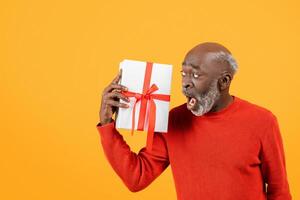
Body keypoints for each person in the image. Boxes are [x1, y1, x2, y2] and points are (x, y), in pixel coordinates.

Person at [96, 42, 292, 200]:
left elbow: (279, 192)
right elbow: (136, 178)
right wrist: (106, 124)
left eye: (196, 75)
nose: (186, 83)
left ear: (224, 81)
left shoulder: (263, 121)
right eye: (184, 73)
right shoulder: (173, 121)